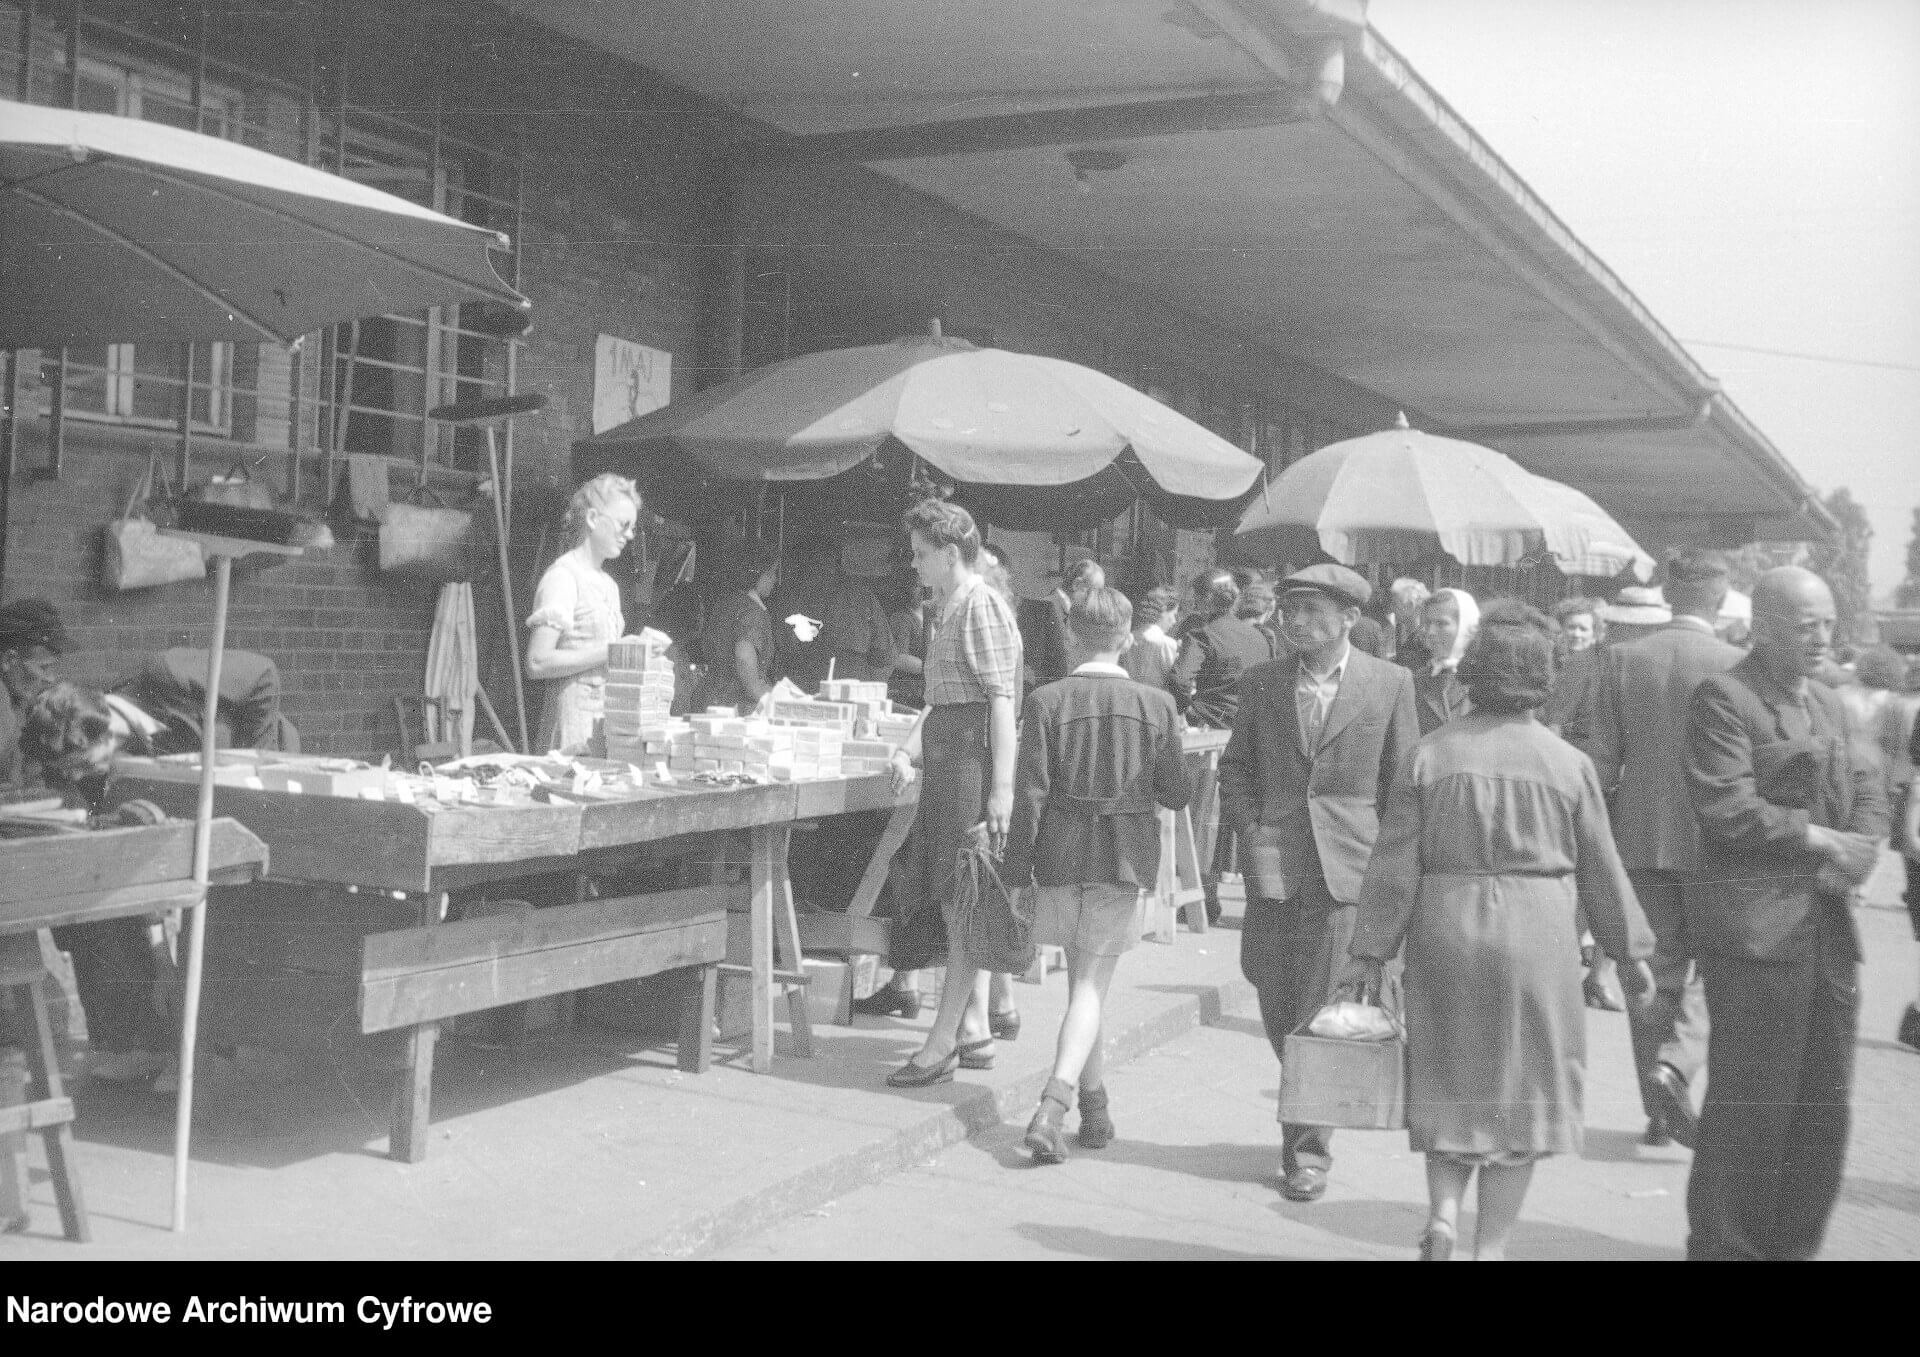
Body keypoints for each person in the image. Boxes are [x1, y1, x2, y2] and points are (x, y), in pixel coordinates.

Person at [1340, 602, 1656, 1261]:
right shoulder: (1569, 765)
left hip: (1446, 925)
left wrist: (1370, 951)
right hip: (1539, 932)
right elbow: (1602, 867)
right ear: (1545, 676)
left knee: (1449, 1077)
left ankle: (1445, 1219)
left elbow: (1394, 863)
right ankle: (1491, 1251)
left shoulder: (1430, 754)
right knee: (1524, 1096)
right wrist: (1630, 952)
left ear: (1476, 671)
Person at [1682, 567, 1888, 1260]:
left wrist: (1864, 843)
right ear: (1763, 629)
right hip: (1757, 936)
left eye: (1829, 623)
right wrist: (1821, 838)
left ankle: (1793, 1246)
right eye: (1807, 626)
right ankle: (1726, 1246)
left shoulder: (1831, 702)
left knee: (1823, 1104)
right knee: (1750, 1105)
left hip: (1828, 930)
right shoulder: (1725, 696)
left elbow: (1869, 783)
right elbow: (1725, 806)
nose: (1823, 637)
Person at [1216, 563, 1420, 1203]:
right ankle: (1304, 1108)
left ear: (1349, 619)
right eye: (1290, 609)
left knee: (1319, 1015)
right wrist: (1254, 831)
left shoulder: (1390, 684)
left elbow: (1402, 791)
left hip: (1348, 874)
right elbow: (1236, 769)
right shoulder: (1264, 682)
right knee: (1274, 999)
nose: (1296, 621)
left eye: (1312, 611)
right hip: (1276, 871)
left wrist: (1393, 885)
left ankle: (1306, 1151)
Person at [1002, 588, 1190, 1162]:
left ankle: (1096, 1103)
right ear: (1128, 636)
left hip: (1058, 852)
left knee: (1083, 983)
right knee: (1090, 985)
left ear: (1073, 635)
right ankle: (1052, 1106)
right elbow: (1177, 793)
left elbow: (1028, 794)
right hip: (1123, 857)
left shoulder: (1045, 699)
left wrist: (1014, 871)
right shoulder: (1159, 705)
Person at [1587, 550, 1742, 1147]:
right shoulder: (1738, 662)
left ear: (1668, 597)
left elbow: (1601, 763)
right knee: (1717, 969)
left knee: (1648, 971)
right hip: (1717, 848)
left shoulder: (1623, 660)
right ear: (1722, 602)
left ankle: (1656, 1104)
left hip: (1641, 842)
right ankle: (1678, 1065)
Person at [881, 500, 1023, 1087]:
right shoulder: (950, 604)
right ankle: (972, 1030)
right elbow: (941, 700)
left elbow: (1000, 700)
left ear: (948, 552)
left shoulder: (980, 604)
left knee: (963, 899)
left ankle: (942, 1042)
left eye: (920, 554)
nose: (914, 565)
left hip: (971, 761)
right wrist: (908, 748)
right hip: (947, 753)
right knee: (951, 896)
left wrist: (1003, 790)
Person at [525, 474, 642, 754]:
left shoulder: (608, 585)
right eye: (623, 525)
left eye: (633, 528)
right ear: (592, 518)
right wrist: (611, 652)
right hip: (573, 726)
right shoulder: (564, 577)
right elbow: (537, 662)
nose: (629, 535)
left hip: (606, 725)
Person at [769, 533, 897, 693]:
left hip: (803, 694)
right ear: (839, 561)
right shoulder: (863, 598)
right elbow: (886, 658)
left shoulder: (789, 597)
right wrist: (865, 689)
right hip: (851, 694)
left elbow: (780, 652)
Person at [689, 537, 781, 714]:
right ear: (755, 573)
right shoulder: (751, 613)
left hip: (707, 699)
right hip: (734, 710)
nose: (774, 579)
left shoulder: (725, 604)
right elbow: (744, 661)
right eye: (770, 573)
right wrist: (777, 702)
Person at [1412, 587, 1478, 734]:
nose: (1430, 632)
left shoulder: (1486, 679)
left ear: (1466, 627)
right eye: (1428, 623)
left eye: (1441, 624)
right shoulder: (1418, 680)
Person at [1121, 585, 1181, 694]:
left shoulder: (1128, 639)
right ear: (1163, 612)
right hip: (1155, 702)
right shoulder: (1167, 644)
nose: (1174, 621)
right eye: (1174, 614)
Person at [1389, 577, 1432, 672]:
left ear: (1410, 606)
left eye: (1395, 604)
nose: (1392, 609)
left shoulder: (1423, 640)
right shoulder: (1412, 634)